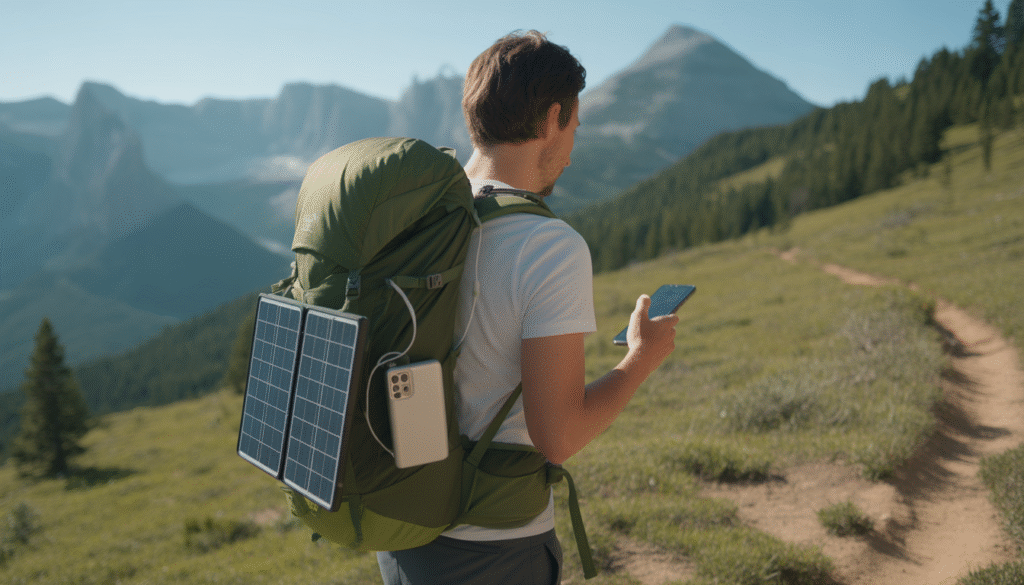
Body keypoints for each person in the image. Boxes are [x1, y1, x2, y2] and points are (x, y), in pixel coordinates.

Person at [376, 30, 679, 585]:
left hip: (403, 524)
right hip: (492, 545)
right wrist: (641, 358)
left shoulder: (417, 221)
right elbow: (559, 437)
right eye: (574, 129)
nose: (571, 150)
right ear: (551, 120)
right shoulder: (547, 246)